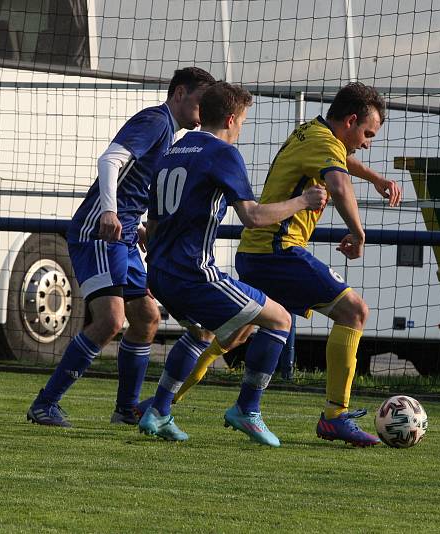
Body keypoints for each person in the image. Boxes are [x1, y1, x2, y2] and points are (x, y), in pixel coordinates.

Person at [171, 87, 402, 445]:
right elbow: (339, 184)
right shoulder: (325, 144)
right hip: (277, 251)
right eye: (367, 134)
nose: (368, 143)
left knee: (237, 332)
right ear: (351, 121)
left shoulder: (312, 131)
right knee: (354, 311)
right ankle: (334, 417)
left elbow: (341, 161)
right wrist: (358, 232)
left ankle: (161, 403)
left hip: (257, 253)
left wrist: (374, 178)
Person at [135, 81, 327, 447]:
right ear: (229, 118)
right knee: (280, 320)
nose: (241, 129)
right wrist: (303, 200)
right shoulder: (222, 153)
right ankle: (247, 409)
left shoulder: (173, 151)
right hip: (194, 273)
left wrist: (157, 262)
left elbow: (155, 222)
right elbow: (253, 216)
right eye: (242, 121)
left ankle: (158, 412)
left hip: (159, 271)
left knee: (200, 332)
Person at [26, 67, 216, 427]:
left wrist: (136, 224)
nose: (203, 110)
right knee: (111, 320)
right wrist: (110, 212)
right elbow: (110, 160)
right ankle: (45, 404)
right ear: (179, 93)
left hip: (124, 237)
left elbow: (133, 183)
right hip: (100, 234)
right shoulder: (155, 121)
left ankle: (124, 409)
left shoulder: (168, 133)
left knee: (146, 318)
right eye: (200, 100)